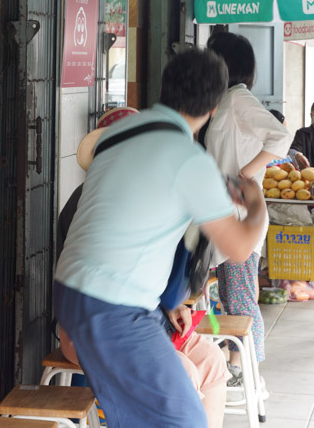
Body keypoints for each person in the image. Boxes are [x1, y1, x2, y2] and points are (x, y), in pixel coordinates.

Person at [54, 49, 269, 427]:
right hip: (114, 308)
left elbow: (144, 195)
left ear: (165, 88)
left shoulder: (123, 131)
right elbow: (239, 248)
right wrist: (257, 206)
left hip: (74, 294)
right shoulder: (188, 158)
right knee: (182, 420)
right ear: (215, 106)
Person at [55, 108, 229, 428]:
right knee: (183, 376)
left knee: (213, 362)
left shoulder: (148, 198)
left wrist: (170, 307)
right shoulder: (84, 205)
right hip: (93, 330)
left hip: (146, 323)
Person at [203, 31, 292, 393]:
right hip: (225, 218)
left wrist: (247, 173)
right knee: (230, 298)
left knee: (240, 300)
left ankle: (252, 374)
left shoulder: (238, 99)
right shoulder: (225, 100)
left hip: (240, 219)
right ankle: (238, 366)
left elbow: (280, 137)